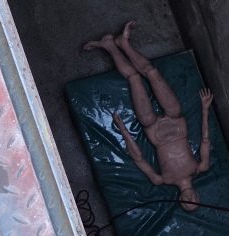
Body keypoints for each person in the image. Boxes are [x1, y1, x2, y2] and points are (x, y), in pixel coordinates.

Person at [84, 22, 212, 212]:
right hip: (176, 119)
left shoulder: (162, 180)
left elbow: (139, 158)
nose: (190, 199)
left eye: (186, 204)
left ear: (180, 200)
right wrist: (204, 109)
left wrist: (124, 131)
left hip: (152, 127)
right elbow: (205, 140)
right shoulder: (201, 167)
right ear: (198, 196)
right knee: (152, 72)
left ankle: (109, 45)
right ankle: (124, 43)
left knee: (134, 78)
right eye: (194, 201)